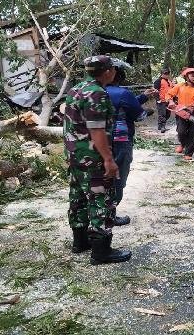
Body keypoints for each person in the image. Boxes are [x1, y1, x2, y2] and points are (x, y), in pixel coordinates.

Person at [63, 55, 131, 264]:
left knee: (79, 198)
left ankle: (80, 241)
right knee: (101, 200)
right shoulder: (97, 93)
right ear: (108, 71)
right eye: (113, 69)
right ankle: (101, 251)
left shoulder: (76, 89)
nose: (114, 72)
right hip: (93, 159)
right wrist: (109, 160)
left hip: (74, 156)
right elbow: (97, 131)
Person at [105, 64, 155, 227]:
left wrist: (142, 97)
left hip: (100, 140)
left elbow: (124, 104)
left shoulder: (95, 91)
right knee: (119, 176)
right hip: (121, 140)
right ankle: (110, 215)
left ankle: (100, 213)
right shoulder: (123, 93)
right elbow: (139, 115)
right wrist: (147, 111)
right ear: (118, 76)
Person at [165, 67, 194, 160]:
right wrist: (170, 101)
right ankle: (183, 144)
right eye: (192, 76)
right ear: (186, 77)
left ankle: (188, 153)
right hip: (182, 112)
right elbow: (168, 94)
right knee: (181, 132)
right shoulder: (179, 86)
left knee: (192, 133)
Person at [153, 68, 172, 132]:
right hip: (161, 101)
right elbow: (155, 91)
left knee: (168, 114)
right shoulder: (158, 81)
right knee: (162, 114)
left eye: (168, 73)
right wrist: (158, 99)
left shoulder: (169, 81)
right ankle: (162, 127)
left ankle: (160, 126)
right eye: (165, 73)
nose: (167, 75)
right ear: (162, 74)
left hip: (168, 100)